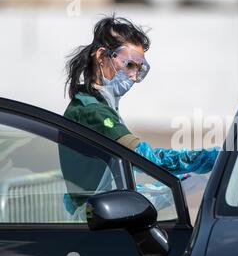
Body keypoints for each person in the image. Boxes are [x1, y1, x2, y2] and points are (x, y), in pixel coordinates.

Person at [61, 15, 219, 215]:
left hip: (100, 209)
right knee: (193, 182)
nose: (134, 77)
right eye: (129, 65)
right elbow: (146, 160)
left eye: (139, 69)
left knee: (192, 182)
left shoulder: (94, 103)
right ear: (101, 56)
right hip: (96, 217)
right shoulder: (93, 112)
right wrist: (215, 157)